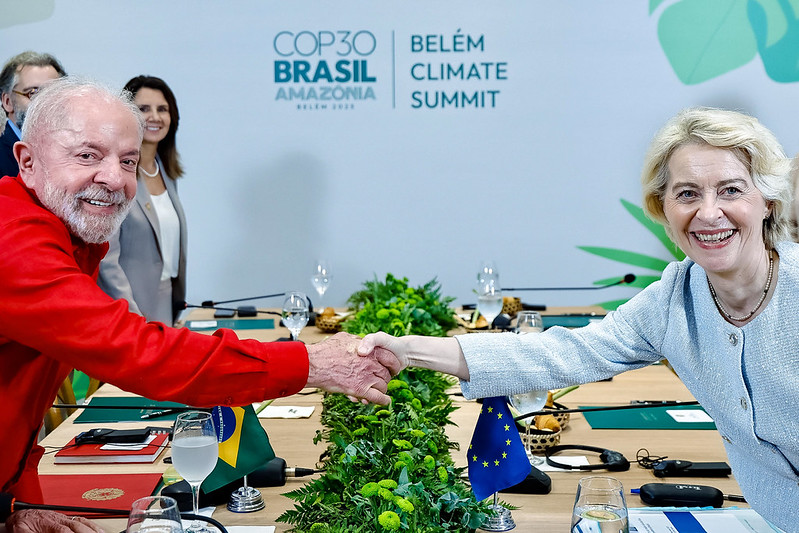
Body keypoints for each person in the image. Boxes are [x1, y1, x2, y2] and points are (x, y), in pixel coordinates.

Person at [360, 107, 798, 531]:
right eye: (687, 194)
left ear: (768, 200)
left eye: (731, 190)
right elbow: (559, 354)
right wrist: (406, 351)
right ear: (662, 207)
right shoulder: (673, 299)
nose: (708, 212)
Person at [0, 77, 400, 509]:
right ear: (27, 161)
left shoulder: (69, 234)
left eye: (129, 161)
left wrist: (21, 506)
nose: (114, 178)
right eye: (87, 155)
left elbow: (22, 401)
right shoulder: (14, 240)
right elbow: (140, 353)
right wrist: (311, 363)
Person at [98, 76, 187, 325]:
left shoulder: (166, 172)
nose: (154, 117)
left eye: (162, 109)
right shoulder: (115, 175)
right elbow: (106, 259)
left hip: (166, 302)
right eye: (144, 108)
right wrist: (132, 317)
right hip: (128, 310)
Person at [0, 51, 66, 179]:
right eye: (33, 93)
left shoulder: (71, 149)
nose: (45, 102)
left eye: (54, 92)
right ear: (7, 102)